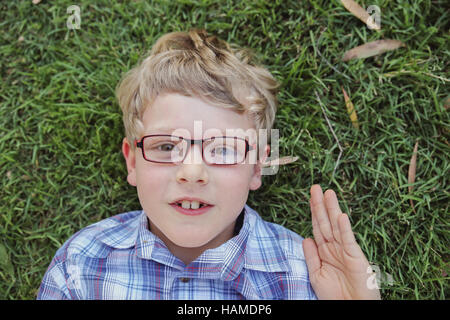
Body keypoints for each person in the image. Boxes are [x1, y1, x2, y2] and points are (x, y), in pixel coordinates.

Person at [37, 29, 380, 300]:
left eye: (224, 149)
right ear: (132, 161)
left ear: (257, 167)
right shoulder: (82, 264)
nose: (192, 172)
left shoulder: (308, 277)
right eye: (167, 146)